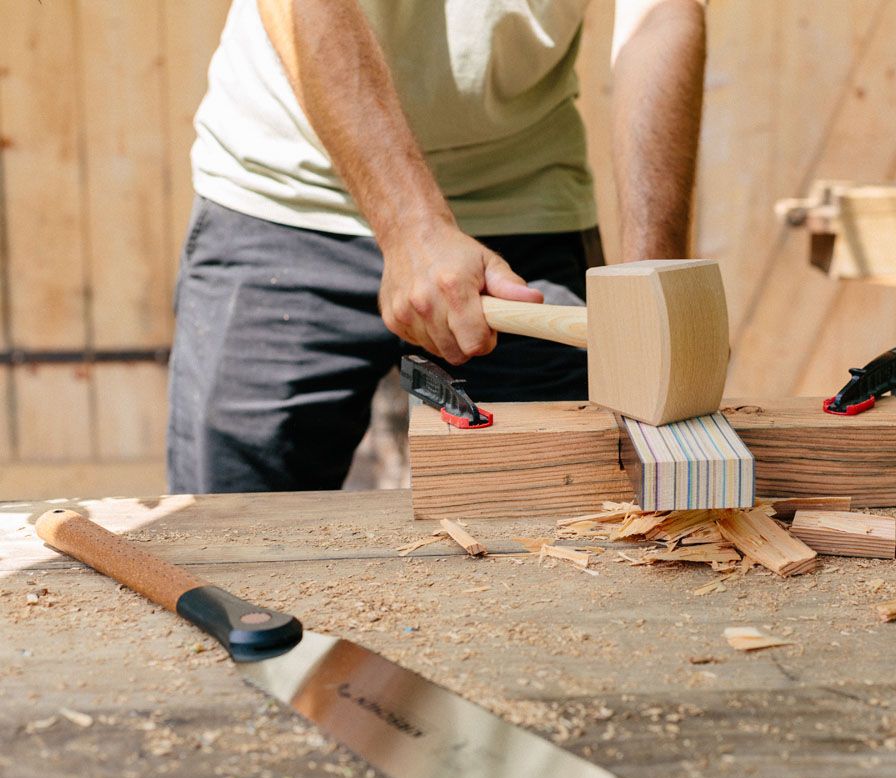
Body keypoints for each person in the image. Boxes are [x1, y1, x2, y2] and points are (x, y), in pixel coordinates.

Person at [169, 0, 706, 493]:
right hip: (283, 200)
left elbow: (658, 17)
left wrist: (651, 284)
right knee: (232, 532)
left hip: (522, 198)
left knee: (576, 519)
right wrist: (412, 228)